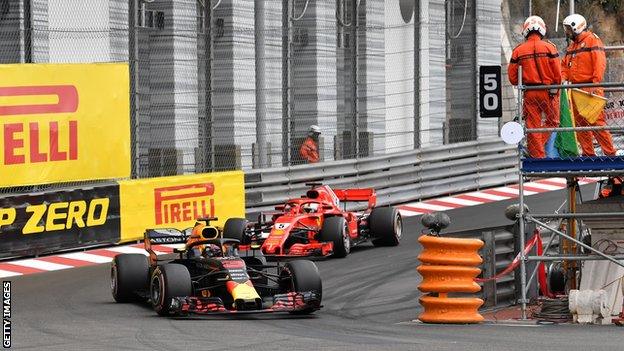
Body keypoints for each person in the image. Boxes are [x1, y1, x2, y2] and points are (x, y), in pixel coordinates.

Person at [561, 14, 615, 156]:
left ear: (576, 27)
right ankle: (588, 156)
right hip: (576, 89)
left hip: (590, 88)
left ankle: (611, 157)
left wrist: (594, 84)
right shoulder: (573, 46)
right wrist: (563, 79)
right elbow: (564, 67)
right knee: (580, 126)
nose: (567, 32)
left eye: (568, 29)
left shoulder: (592, 40)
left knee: (597, 124)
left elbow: (599, 63)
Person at [508, 16, 562, 158]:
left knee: (533, 127)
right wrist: (555, 88)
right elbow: (558, 74)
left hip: (530, 93)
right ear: (542, 29)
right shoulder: (550, 48)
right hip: (548, 92)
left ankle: (537, 156)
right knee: (553, 122)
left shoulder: (518, 51)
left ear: (525, 30)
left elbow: (513, 78)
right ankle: (537, 148)